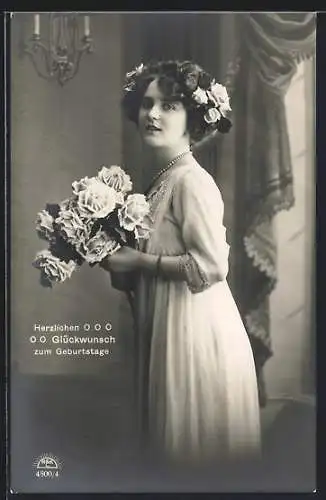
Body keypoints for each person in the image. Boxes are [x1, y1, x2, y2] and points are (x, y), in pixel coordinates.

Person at [101, 60, 261, 468]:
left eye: (169, 105)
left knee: (188, 454)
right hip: (169, 324)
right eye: (147, 103)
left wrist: (138, 259)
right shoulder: (165, 178)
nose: (152, 114)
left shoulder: (191, 181)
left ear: (193, 119)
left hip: (195, 333)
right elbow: (161, 254)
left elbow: (210, 268)